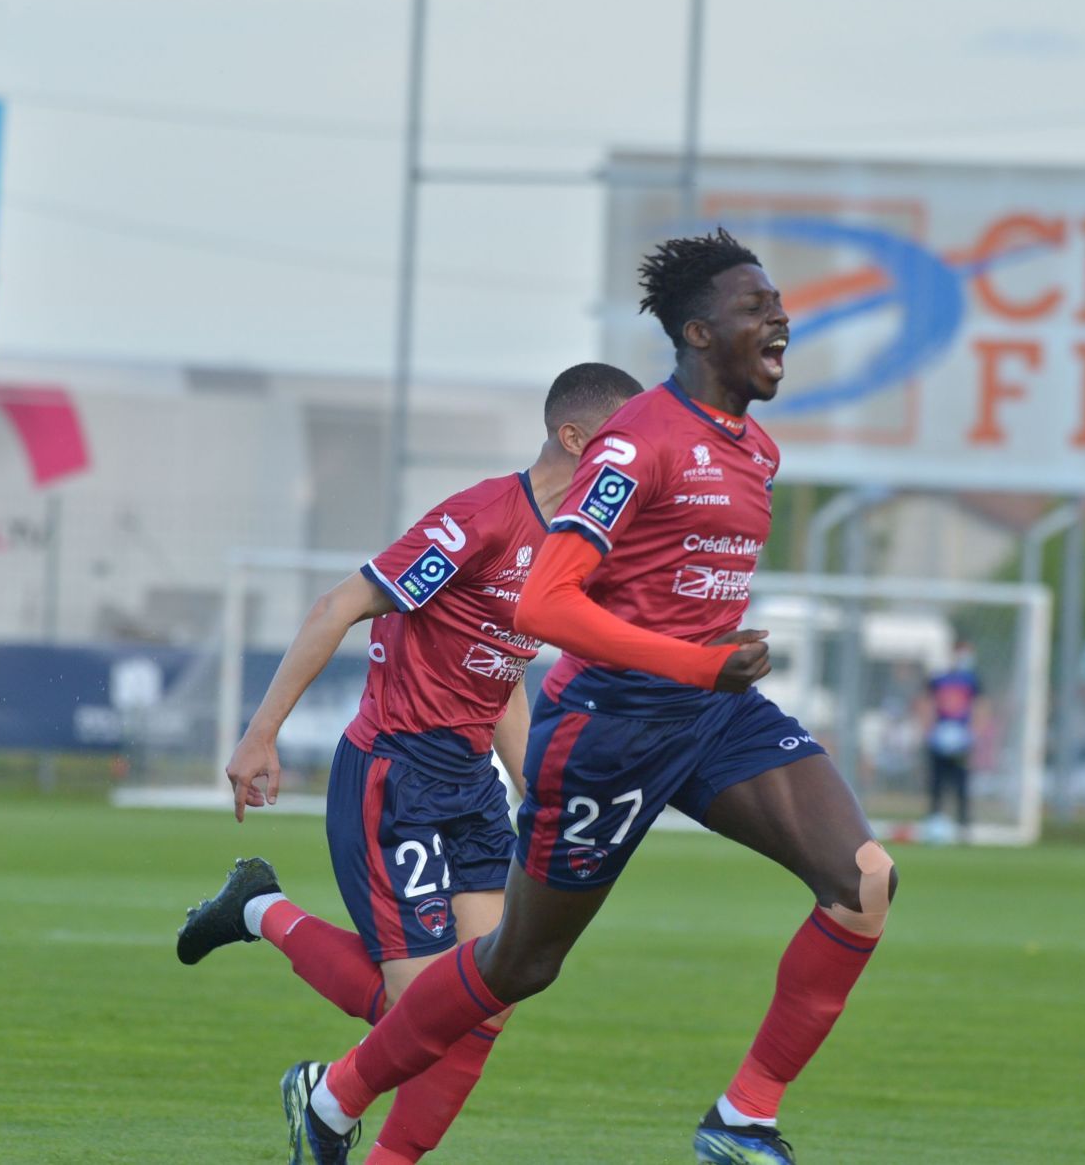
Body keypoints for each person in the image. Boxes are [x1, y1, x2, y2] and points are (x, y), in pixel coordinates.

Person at [276, 229, 898, 1165]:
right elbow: (544, 600)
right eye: (754, 305)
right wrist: (694, 663)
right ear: (697, 333)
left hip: (713, 715)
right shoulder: (636, 441)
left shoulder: (756, 450)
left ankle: (741, 1118)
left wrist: (706, 667)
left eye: (779, 303)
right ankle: (335, 1095)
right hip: (611, 725)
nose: (780, 316)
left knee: (865, 882)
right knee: (520, 963)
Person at [177, 362, 642, 1165]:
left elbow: (499, 675)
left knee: (491, 994)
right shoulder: (481, 520)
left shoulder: (571, 543)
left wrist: (536, 783)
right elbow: (340, 605)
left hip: (469, 785)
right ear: (576, 438)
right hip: (395, 776)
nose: (641, 462)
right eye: (627, 443)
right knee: (419, 1006)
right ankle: (259, 909)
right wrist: (260, 733)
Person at [920, 640, 983, 838]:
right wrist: (929, 730)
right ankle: (935, 823)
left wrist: (973, 733)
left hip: (961, 738)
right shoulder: (939, 678)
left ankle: (963, 825)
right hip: (940, 736)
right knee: (937, 783)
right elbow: (927, 703)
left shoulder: (973, 679)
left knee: (961, 783)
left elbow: (981, 707)